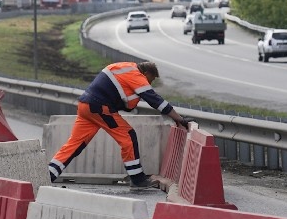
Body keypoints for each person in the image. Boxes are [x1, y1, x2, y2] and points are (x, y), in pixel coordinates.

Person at [48, 61, 188, 187]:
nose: (149, 84)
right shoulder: (136, 75)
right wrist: (179, 118)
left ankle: (49, 174)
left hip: (85, 105)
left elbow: (125, 101)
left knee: (74, 145)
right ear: (145, 73)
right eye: (150, 80)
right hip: (100, 108)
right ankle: (137, 179)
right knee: (128, 136)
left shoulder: (124, 67)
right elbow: (155, 100)